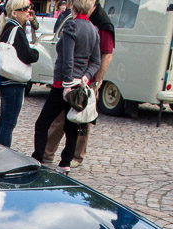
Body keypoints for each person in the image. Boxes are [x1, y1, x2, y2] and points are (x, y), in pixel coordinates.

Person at [42, 0, 114, 167]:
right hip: (78, 79)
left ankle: (74, 157)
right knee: (62, 120)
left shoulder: (101, 23)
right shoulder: (81, 22)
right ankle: (50, 153)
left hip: (82, 81)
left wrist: (94, 80)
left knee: (80, 120)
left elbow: (106, 55)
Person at [32, 0, 99, 173]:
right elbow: (95, 61)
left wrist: (67, 84)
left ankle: (38, 157)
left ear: (74, 7)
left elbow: (68, 59)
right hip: (79, 85)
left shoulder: (72, 26)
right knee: (72, 125)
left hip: (63, 84)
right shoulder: (93, 30)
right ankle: (65, 163)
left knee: (43, 122)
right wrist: (85, 77)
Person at [0, 0, 38, 147]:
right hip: (14, 81)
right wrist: (36, 51)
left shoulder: (7, 27)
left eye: (29, 9)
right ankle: (3, 154)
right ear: (15, 12)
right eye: (25, 9)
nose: (28, 12)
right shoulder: (17, 30)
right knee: (9, 123)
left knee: (4, 120)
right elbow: (28, 55)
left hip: (5, 81)